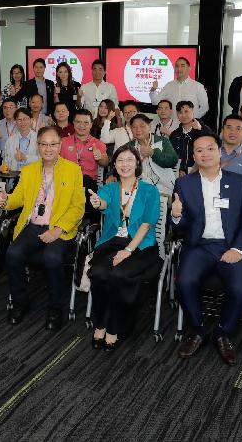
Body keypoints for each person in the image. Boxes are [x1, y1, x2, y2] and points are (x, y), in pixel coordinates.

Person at [171, 133, 242, 365]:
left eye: (210, 148)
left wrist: (239, 249)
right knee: (184, 282)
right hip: (199, 245)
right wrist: (176, 216)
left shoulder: (238, 182)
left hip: (231, 245)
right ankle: (198, 329)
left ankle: (222, 332)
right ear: (194, 156)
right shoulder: (184, 184)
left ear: (218, 152)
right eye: (199, 150)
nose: (205, 154)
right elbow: (181, 227)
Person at [0, 127, 85, 330]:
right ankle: (20, 302)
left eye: (53, 144)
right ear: (38, 147)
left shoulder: (73, 170)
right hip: (34, 225)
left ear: (60, 146)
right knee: (13, 254)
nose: (48, 148)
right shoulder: (29, 171)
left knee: (51, 258)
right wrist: (4, 200)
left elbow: (78, 207)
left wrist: (58, 230)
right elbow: (17, 198)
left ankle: (55, 308)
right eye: (43, 144)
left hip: (59, 228)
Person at [87, 144, 161, 351]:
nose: (124, 164)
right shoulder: (110, 188)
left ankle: (115, 327)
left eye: (129, 160)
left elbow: (147, 224)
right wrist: (96, 201)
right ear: (114, 165)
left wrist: (128, 250)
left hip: (140, 245)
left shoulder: (149, 190)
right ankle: (100, 323)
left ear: (137, 163)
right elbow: (103, 203)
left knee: (120, 275)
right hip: (112, 242)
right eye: (120, 160)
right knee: (99, 273)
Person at [126, 114, 178, 197]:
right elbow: (118, 161)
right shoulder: (129, 146)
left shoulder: (162, 141)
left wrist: (153, 153)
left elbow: (173, 160)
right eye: (134, 127)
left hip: (163, 189)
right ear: (131, 129)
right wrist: (111, 175)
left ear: (149, 126)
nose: (138, 129)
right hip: (140, 190)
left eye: (142, 126)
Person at [62, 109, 110, 184]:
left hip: (89, 183)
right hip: (67, 182)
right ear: (73, 123)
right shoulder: (63, 142)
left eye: (86, 122)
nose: (82, 125)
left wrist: (100, 157)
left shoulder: (98, 143)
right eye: (78, 122)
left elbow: (105, 163)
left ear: (91, 124)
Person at [169, 100, 212, 175]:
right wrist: (179, 170)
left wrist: (200, 130)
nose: (183, 115)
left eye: (186, 111)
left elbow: (211, 149)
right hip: (180, 175)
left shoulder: (204, 130)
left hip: (201, 173)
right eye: (180, 112)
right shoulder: (175, 135)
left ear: (192, 112)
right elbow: (172, 157)